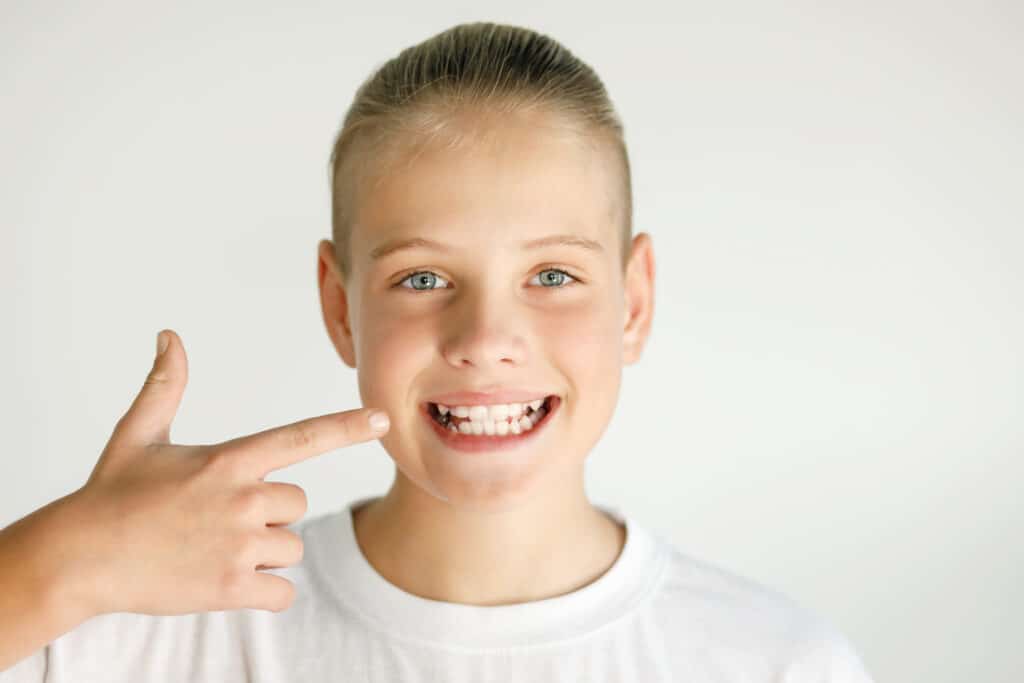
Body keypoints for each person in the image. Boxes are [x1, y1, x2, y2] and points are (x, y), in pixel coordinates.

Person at [0, 21, 875, 681]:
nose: (487, 340)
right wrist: (63, 558)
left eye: (553, 273)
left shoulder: (780, 663)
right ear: (340, 307)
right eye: (422, 279)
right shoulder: (142, 628)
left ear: (633, 301)